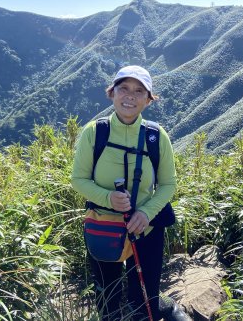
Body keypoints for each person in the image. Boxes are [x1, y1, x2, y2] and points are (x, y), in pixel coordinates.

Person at [71, 65, 177, 320]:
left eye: (139, 91)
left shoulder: (155, 136)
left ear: (148, 100)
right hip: (104, 226)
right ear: (112, 93)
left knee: (145, 297)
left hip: (146, 228)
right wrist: (109, 198)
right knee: (107, 297)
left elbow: (168, 184)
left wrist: (147, 213)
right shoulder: (95, 133)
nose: (130, 96)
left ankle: (155, 307)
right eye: (124, 88)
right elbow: (78, 180)